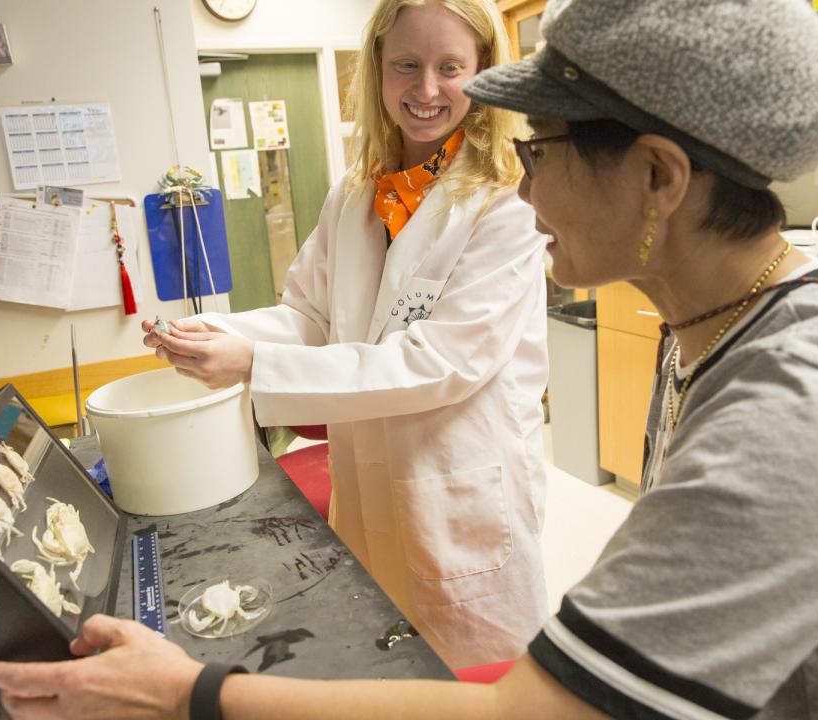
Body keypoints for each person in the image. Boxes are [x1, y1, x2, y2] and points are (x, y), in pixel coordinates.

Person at [0, 0, 818, 718]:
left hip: (465, 499)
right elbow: (317, 318)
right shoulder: (722, 332)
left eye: (548, 149)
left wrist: (192, 691)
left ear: (657, 179)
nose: (527, 190)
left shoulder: (810, 411)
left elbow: (537, 710)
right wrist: (233, 345)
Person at [140, 0, 550, 669]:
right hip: (368, 485)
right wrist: (217, 330)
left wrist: (253, 365)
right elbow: (310, 315)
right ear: (378, 69)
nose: (425, 90)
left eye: (451, 67)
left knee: (468, 689)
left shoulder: (506, 202)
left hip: (460, 494)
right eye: (407, 66)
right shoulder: (359, 193)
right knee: (380, 672)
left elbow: (441, 362)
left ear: (484, 72)